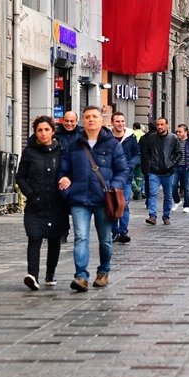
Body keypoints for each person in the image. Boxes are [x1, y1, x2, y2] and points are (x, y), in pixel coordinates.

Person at [58, 106, 130, 292]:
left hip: (103, 198)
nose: (91, 120)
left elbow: (123, 170)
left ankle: (103, 271)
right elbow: (64, 169)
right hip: (79, 198)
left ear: (101, 120)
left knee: (105, 239)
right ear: (83, 120)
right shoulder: (74, 145)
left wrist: (113, 186)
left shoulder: (112, 144)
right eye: (87, 117)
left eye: (94, 117)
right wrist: (65, 181)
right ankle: (81, 276)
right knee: (80, 237)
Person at [15, 116, 69, 290]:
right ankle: (32, 275)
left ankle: (50, 273)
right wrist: (30, 194)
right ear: (35, 132)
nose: (43, 133)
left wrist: (67, 180)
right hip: (35, 204)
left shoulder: (61, 151)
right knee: (34, 237)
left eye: (47, 129)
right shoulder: (30, 152)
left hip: (56, 203)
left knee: (54, 239)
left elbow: (69, 171)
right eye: (39, 130)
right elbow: (20, 176)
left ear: (53, 131)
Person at [141, 118, 181, 226]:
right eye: (158, 124)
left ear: (167, 125)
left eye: (162, 124)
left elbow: (179, 153)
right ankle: (152, 216)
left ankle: (166, 216)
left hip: (168, 172)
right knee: (152, 193)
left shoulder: (173, 138)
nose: (159, 126)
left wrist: (172, 164)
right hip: (154, 171)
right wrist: (149, 164)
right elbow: (146, 152)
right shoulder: (152, 138)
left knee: (168, 195)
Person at [110, 112, 139, 243]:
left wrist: (130, 165)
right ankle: (114, 231)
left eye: (122, 121)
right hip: (110, 177)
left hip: (126, 176)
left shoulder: (130, 137)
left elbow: (137, 154)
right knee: (112, 205)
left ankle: (123, 232)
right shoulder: (107, 137)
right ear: (112, 122)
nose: (120, 124)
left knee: (124, 204)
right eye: (117, 121)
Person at [130, 122, 145, 199]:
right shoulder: (143, 135)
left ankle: (135, 189)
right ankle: (138, 192)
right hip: (142, 156)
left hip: (133, 156)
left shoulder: (132, 134)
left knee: (130, 174)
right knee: (139, 176)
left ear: (134, 127)